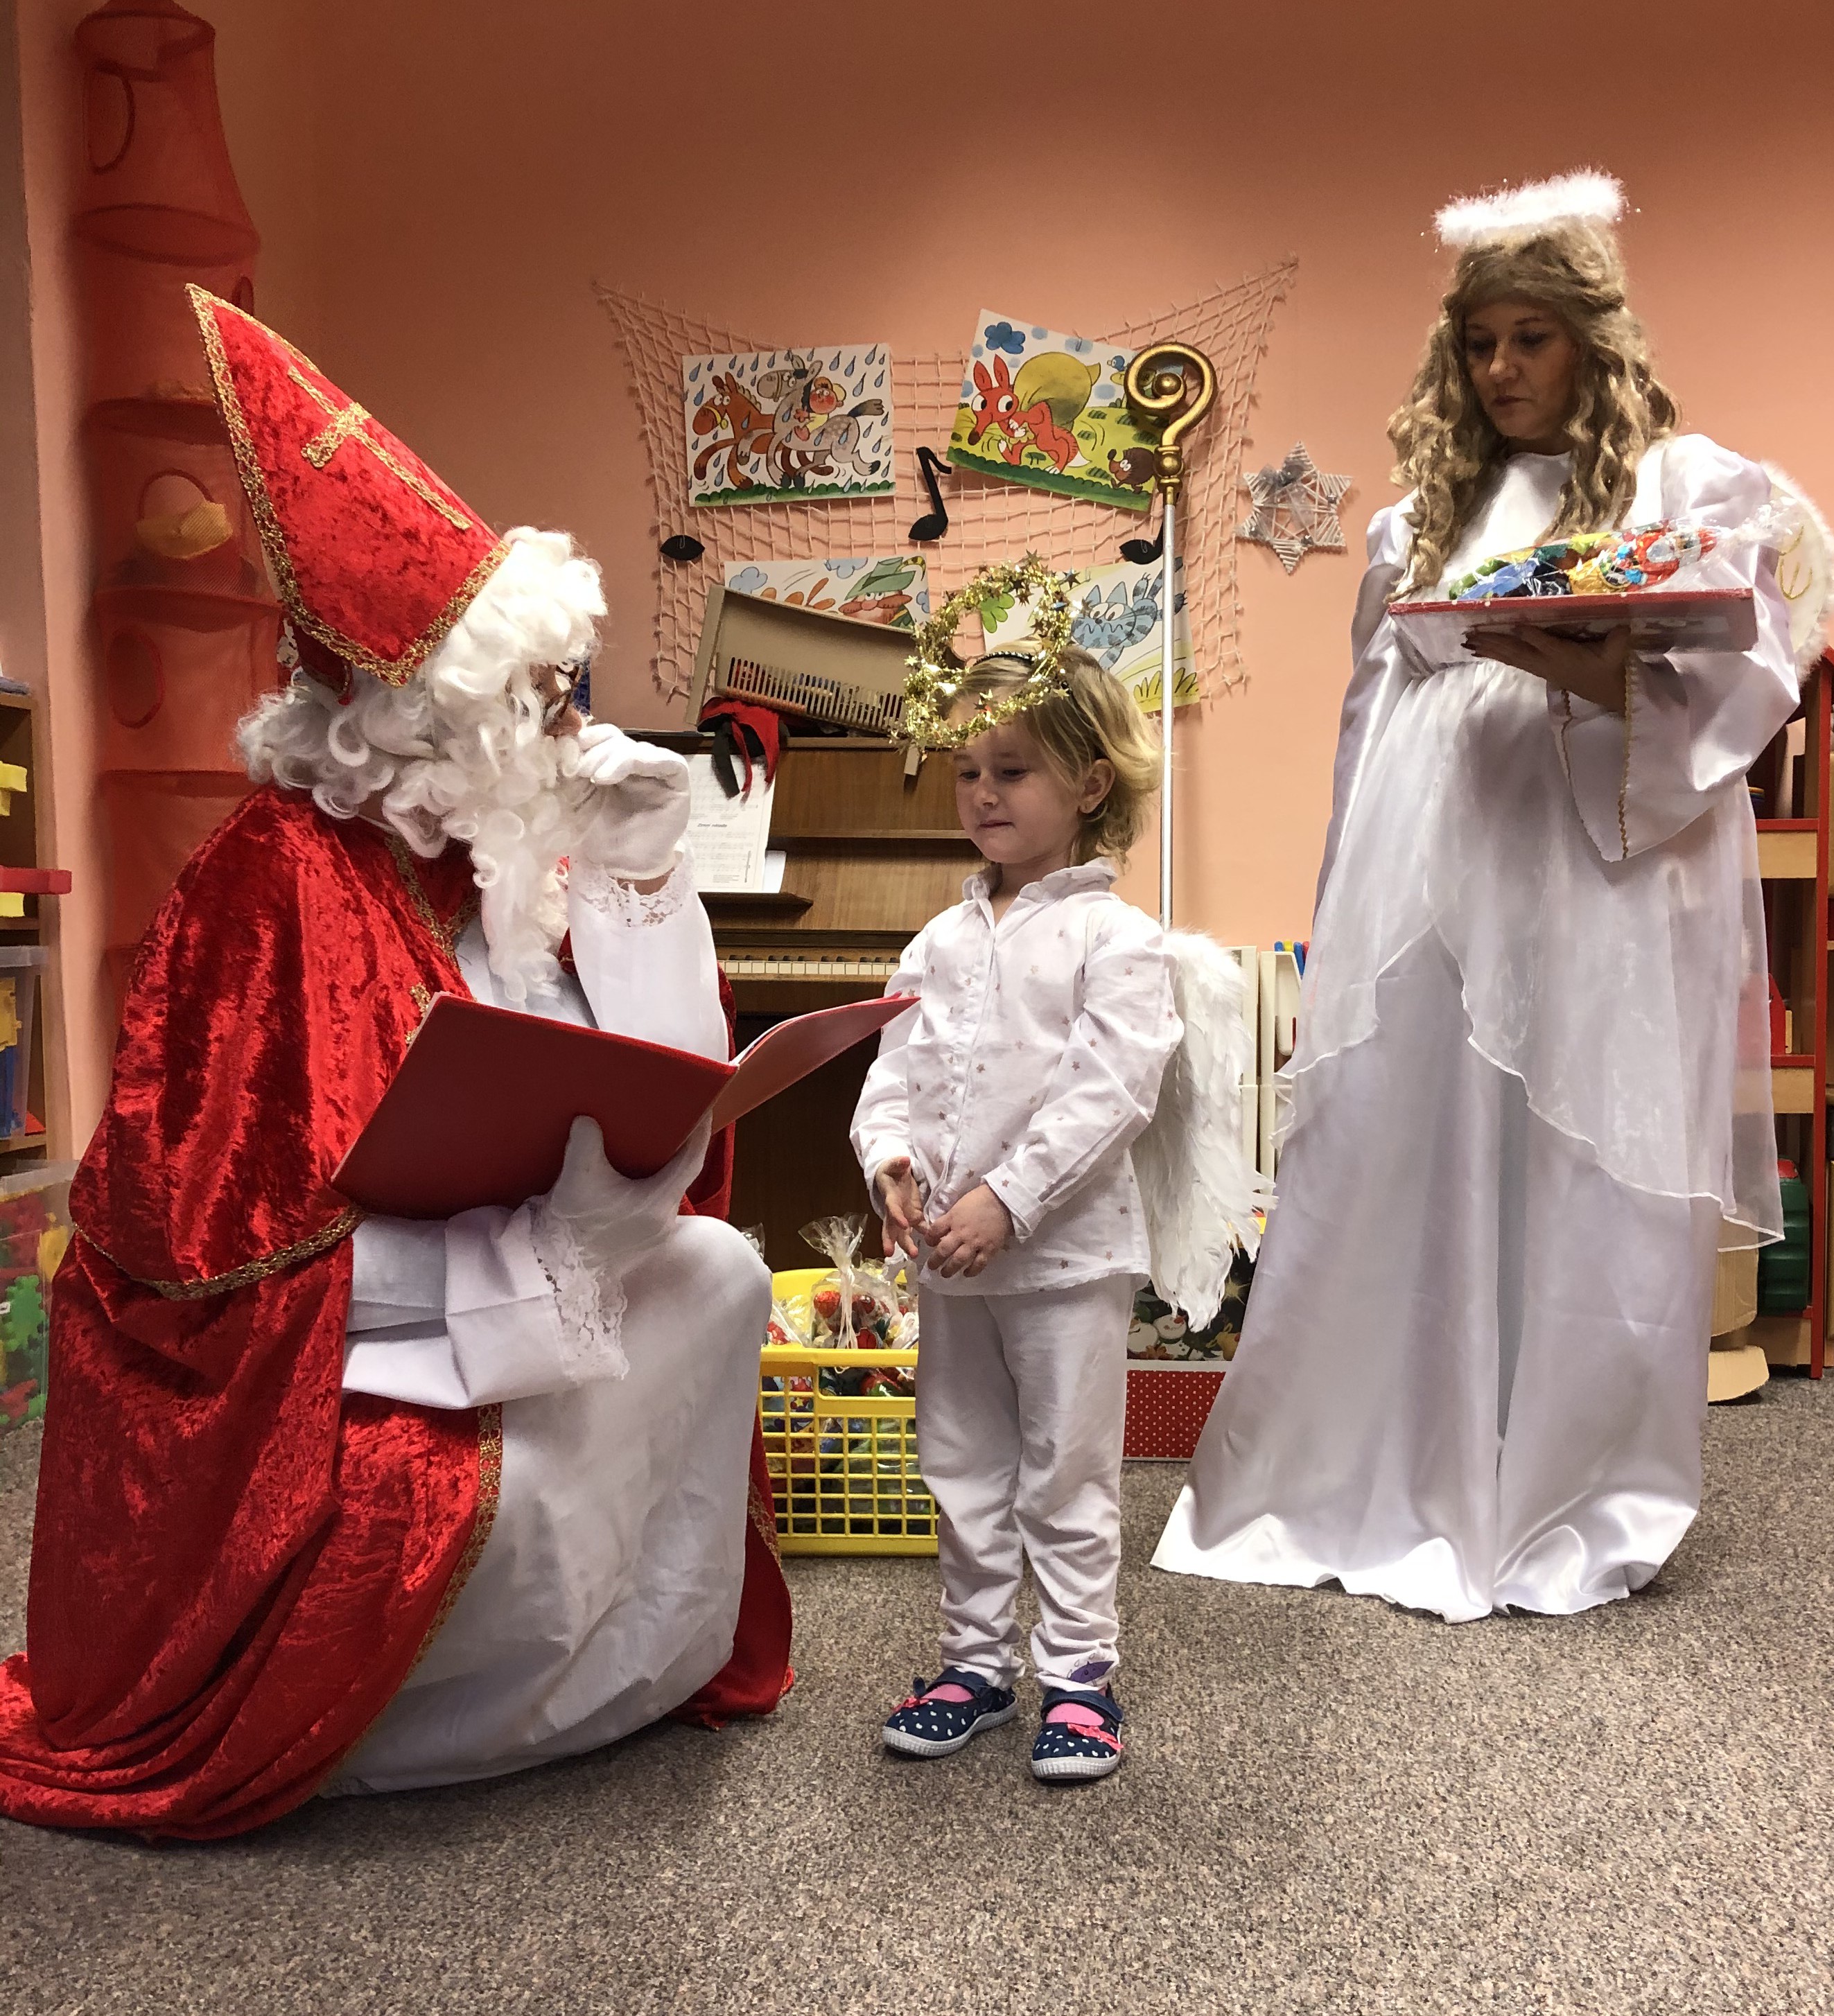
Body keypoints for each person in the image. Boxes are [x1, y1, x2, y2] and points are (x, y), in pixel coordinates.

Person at [0, 289, 789, 1839]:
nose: (565, 721)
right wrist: (545, 1251)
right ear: (423, 715)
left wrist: (642, 872)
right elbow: (204, 1262)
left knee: (722, 1275)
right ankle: (408, 1731)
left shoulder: (494, 843)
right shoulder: (270, 881)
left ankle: (624, 1666)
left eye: (564, 687)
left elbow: (667, 1083)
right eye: (532, 694)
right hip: (333, 1347)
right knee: (470, 1480)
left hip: (506, 1276)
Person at [1154, 170, 1802, 1622]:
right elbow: (1366, 727)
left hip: (1595, 874)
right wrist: (1343, 912)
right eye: (1480, 344)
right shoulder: (1414, 525)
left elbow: (1752, 678)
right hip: (1436, 866)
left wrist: (1605, 677)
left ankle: (1568, 1485)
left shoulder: (1682, 491)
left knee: (1578, 1167)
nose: (1502, 370)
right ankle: (1395, 1458)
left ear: (1591, 340)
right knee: (1415, 1143)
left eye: (1531, 339)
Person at [851, 620, 1180, 1782]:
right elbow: (888, 1070)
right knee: (959, 1461)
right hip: (949, 1259)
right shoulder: (936, 939)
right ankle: (975, 1663)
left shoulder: (1115, 935)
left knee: (1064, 1472)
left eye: (1012, 769)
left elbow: (1112, 1089)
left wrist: (1008, 1197)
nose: (983, 793)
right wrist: (889, 1160)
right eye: (967, 771)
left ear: (1088, 785)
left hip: (1063, 1259)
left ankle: (1080, 1674)